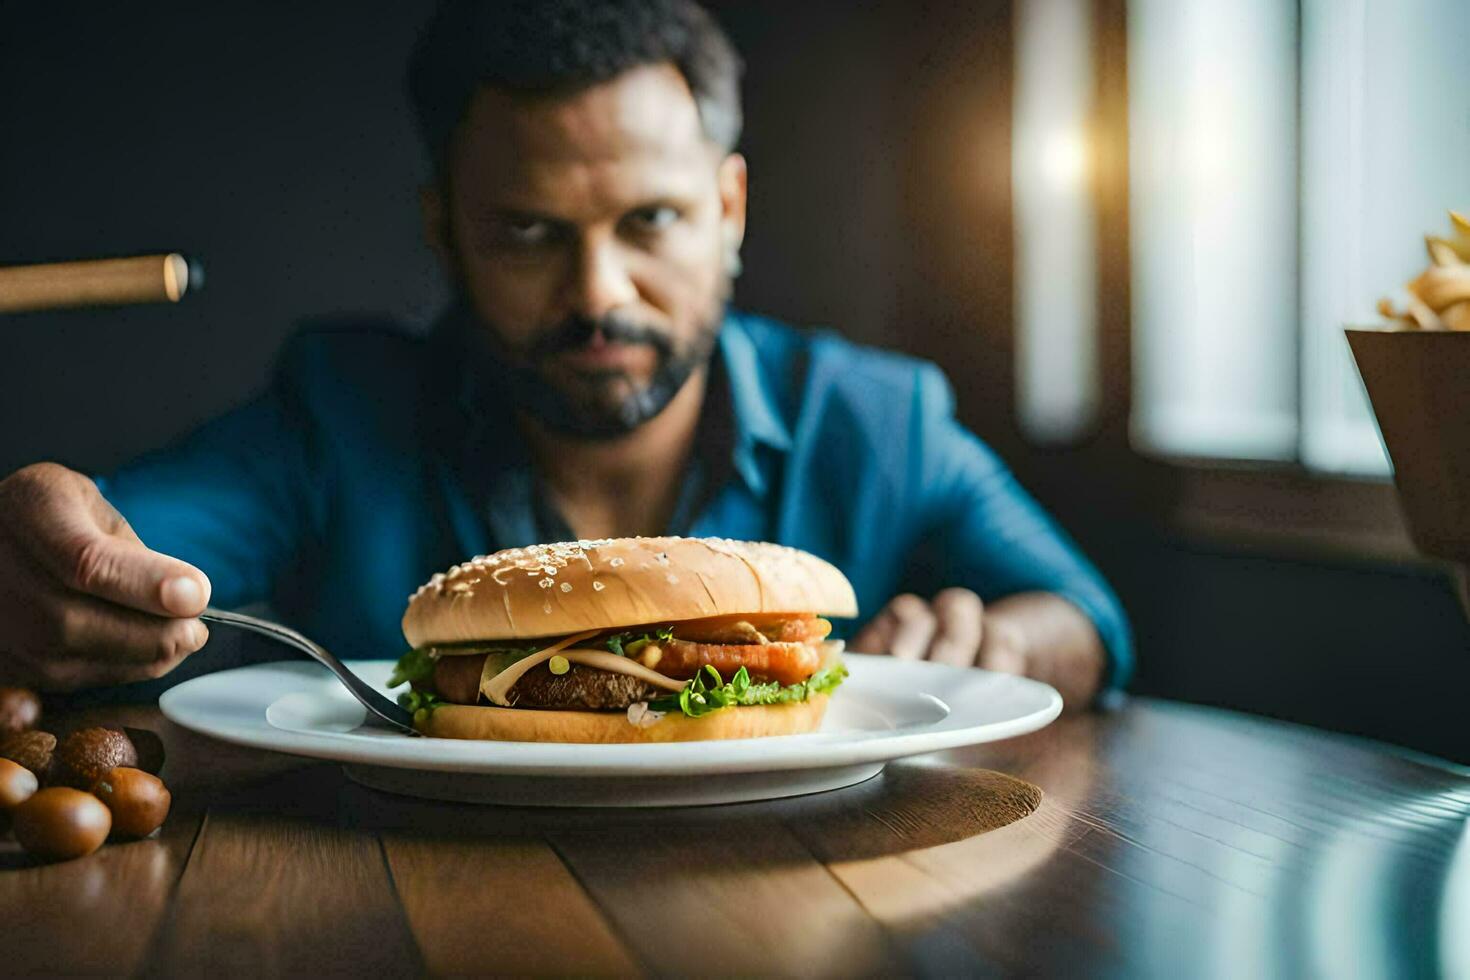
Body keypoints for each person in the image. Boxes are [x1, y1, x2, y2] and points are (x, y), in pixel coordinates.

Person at [0, 0, 1130, 710]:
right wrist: (46, 552)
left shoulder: (876, 416)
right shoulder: (338, 411)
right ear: (445, 228)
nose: (599, 293)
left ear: (729, 208)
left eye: (652, 222)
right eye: (530, 232)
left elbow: (1087, 616)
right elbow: (120, 541)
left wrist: (1010, 639)